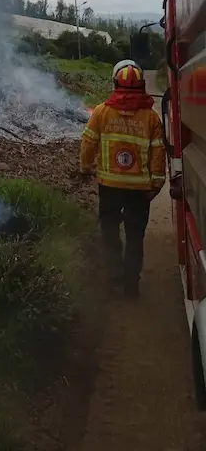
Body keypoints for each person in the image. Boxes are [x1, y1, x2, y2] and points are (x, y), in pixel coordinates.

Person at [79, 60, 166, 298]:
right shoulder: (151, 117)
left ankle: (114, 278)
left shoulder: (101, 111)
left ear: (115, 83)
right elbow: (159, 153)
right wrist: (157, 182)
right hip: (139, 190)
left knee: (110, 232)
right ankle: (131, 286)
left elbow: (88, 143)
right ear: (142, 85)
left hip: (109, 187)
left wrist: (86, 168)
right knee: (135, 236)